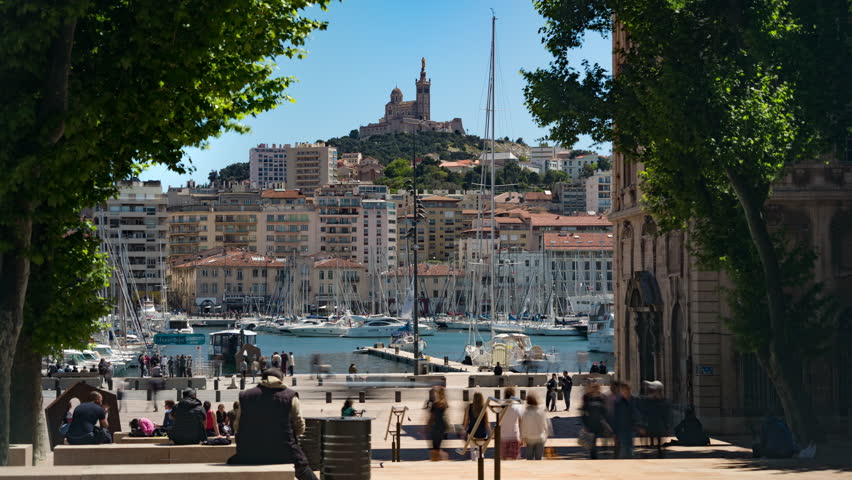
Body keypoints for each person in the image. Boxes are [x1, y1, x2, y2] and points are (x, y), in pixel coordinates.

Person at [226, 368, 317, 480]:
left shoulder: (245, 396)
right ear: (281, 380)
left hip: (249, 453)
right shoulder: (290, 396)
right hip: (285, 452)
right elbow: (300, 426)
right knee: (303, 469)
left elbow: (237, 426)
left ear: (262, 379)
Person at [639, 380, 672, 458]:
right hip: (649, 425)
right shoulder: (648, 401)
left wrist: (667, 426)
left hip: (658, 425)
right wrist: (641, 424)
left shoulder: (664, 402)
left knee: (659, 442)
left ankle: (659, 454)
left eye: (654, 391)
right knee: (647, 444)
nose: (652, 392)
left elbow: (666, 415)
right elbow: (643, 412)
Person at [580, 381, 609, 459]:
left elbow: (605, 410)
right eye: (594, 387)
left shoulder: (602, 397)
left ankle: (605, 450)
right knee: (593, 442)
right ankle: (594, 456)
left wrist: (606, 421)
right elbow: (583, 411)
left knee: (604, 437)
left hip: (600, 422)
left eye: (597, 387)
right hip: (591, 423)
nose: (595, 389)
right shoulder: (588, 397)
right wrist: (585, 423)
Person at [520, 393, 551, 460]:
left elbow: (523, 425)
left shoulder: (525, 412)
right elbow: (546, 423)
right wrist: (547, 433)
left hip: (529, 438)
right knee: (538, 458)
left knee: (529, 458)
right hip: (540, 437)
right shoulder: (541, 411)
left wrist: (522, 437)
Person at [461, 391, 491, 460]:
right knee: (480, 451)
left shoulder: (469, 407)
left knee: (473, 451)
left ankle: (475, 464)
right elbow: (487, 423)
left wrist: (463, 430)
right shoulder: (484, 408)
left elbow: (466, 421)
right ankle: (481, 464)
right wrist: (491, 432)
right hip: (482, 433)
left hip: (472, 433)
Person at [613, 382, 638, 458]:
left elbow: (637, 414)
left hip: (631, 428)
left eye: (627, 390)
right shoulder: (618, 402)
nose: (625, 392)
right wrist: (615, 431)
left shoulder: (634, 400)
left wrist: (639, 425)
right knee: (624, 448)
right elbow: (616, 417)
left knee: (630, 447)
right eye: (623, 390)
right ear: (621, 392)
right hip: (621, 429)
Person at [498, 387, 524, 460]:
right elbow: (521, 422)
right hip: (514, 435)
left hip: (503, 436)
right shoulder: (518, 406)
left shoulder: (500, 407)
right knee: (514, 460)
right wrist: (522, 436)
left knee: (503, 460)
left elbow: (499, 422)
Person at [426, 385, 449, 461]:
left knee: (434, 447)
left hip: (436, 427)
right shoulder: (445, 403)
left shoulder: (435, 404)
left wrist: (427, 428)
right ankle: (439, 457)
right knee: (437, 446)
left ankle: (438, 458)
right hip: (442, 426)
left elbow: (431, 418)